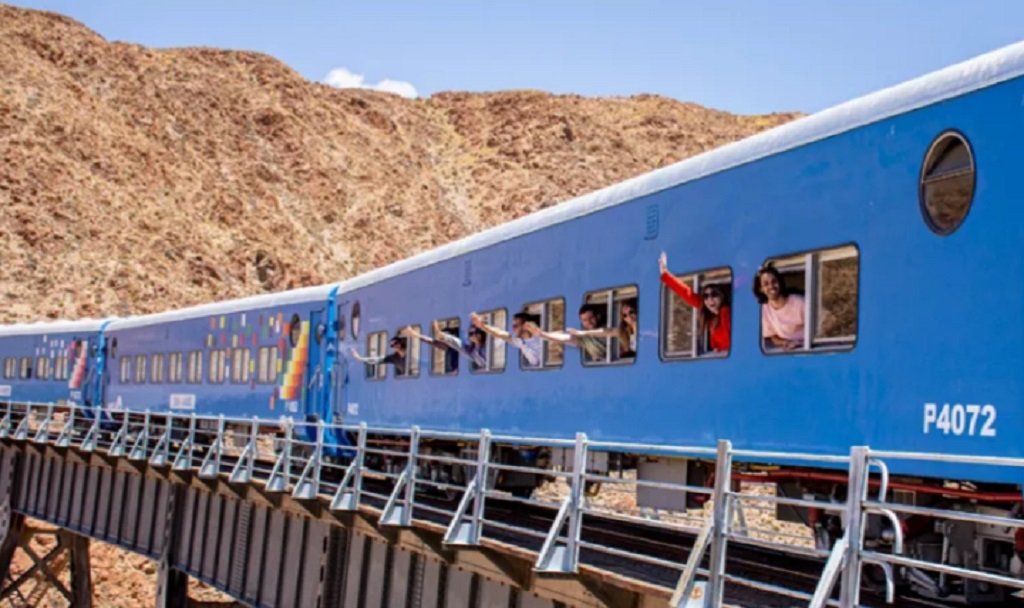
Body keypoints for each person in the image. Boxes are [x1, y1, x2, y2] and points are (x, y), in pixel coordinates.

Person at [659, 252, 731, 353]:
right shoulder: (711, 318)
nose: (710, 300)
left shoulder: (725, 311)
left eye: (714, 294)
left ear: (721, 296)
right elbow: (687, 294)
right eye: (706, 296)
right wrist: (665, 274)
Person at [531, 304, 612, 362]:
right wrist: (543, 334)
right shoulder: (584, 337)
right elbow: (566, 337)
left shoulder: (608, 329)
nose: (589, 322)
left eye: (591, 318)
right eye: (585, 320)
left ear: (598, 316)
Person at [753, 264, 805, 350]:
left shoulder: (800, 302)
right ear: (761, 289)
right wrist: (786, 343)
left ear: (779, 282)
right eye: (766, 284)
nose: (771, 286)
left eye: (774, 281)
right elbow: (773, 336)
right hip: (791, 349)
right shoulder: (765, 309)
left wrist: (800, 344)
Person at [403, 322, 488, 371]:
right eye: (470, 334)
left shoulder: (485, 348)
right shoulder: (470, 350)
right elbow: (432, 341)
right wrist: (415, 335)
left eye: (473, 333)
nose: (471, 336)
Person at [472, 311, 542, 367]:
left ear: (526, 326)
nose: (513, 329)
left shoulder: (540, 340)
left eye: (515, 326)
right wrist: (483, 326)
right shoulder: (519, 341)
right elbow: (500, 333)